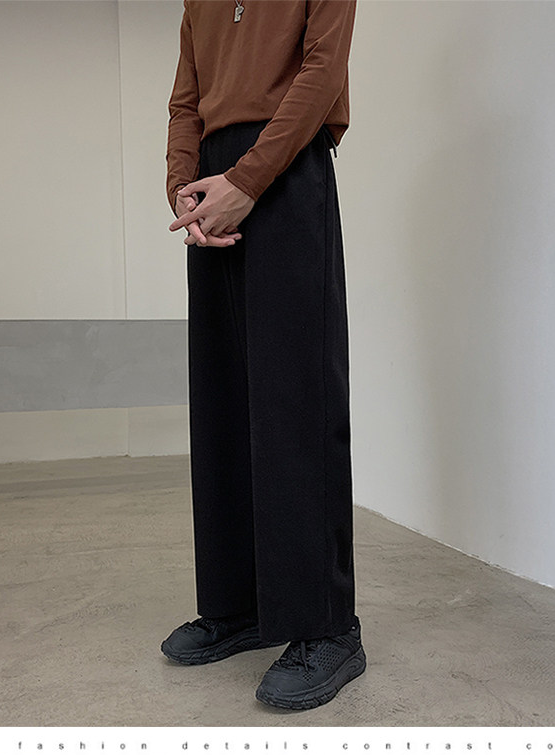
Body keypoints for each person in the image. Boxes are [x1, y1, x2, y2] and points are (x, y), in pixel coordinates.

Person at [161, 0, 365, 711]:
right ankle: (240, 604)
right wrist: (184, 189)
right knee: (223, 398)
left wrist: (247, 181)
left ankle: (327, 626)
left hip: (286, 165)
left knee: (295, 398)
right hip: (213, 183)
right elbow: (185, 101)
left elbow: (322, 71)